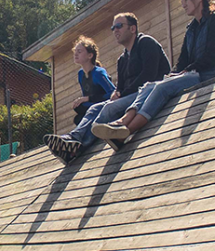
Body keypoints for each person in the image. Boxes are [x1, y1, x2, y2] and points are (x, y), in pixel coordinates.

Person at [94, 0, 215, 144]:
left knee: (162, 88)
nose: (184, 4)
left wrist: (185, 71)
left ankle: (127, 131)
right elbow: (183, 60)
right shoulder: (191, 29)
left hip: (213, 73)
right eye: (182, 2)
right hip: (194, 74)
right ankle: (123, 122)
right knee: (150, 86)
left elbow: (212, 56)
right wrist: (174, 74)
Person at [47, 12, 171, 160]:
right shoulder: (122, 59)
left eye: (119, 26)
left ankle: (78, 148)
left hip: (150, 93)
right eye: (113, 28)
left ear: (132, 29)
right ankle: (72, 138)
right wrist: (118, 92)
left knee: (109, 107)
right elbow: (121, 86)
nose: (115, 30)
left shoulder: (146, 43)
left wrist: (120, 93)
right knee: (94, 108)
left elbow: (149, 76)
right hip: (131, 96)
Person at [70, 37, 115, 125]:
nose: (75, 54)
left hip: (103, 106)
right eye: (75, 51)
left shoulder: (98, 73)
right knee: (78, 115)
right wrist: (81, 100)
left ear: (90, 55)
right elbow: (85, 95)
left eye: (79, 52)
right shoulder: (81, 74)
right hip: (91, 106)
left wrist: (88, 99)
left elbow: (112, 93)